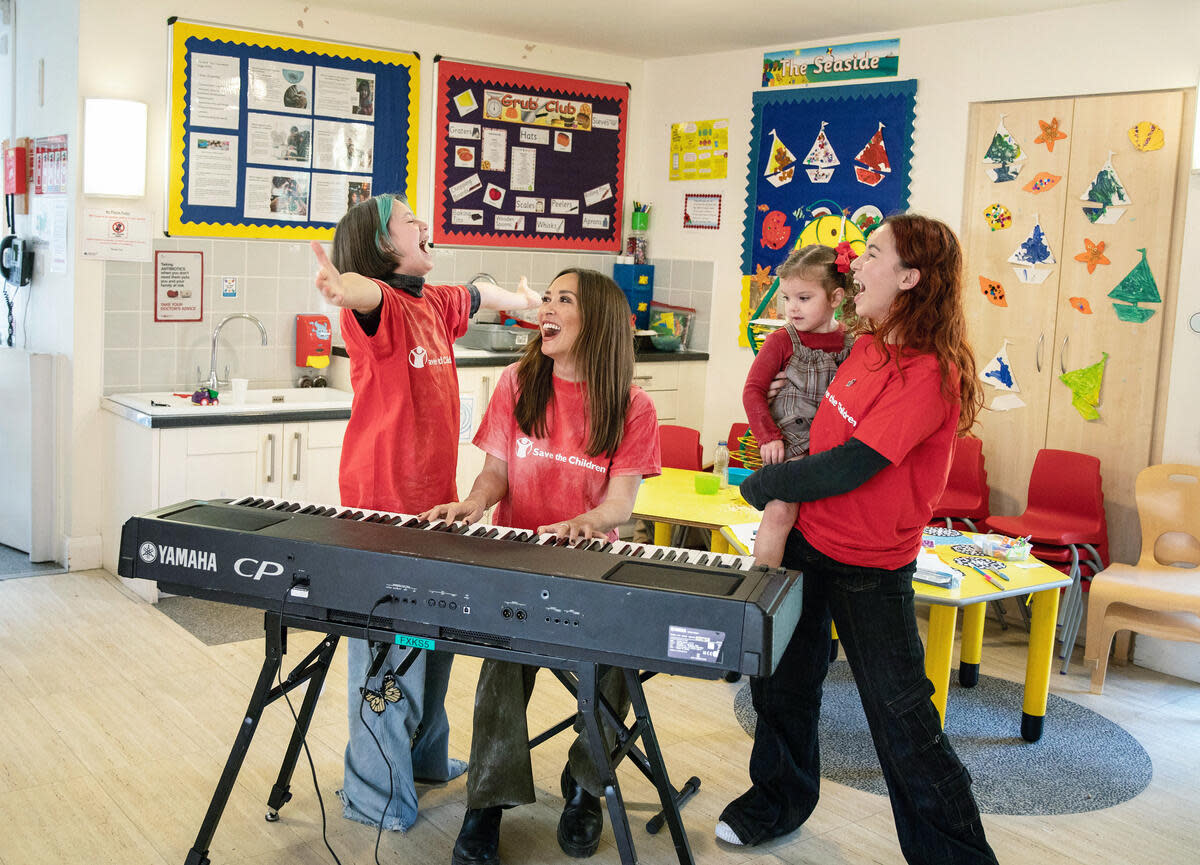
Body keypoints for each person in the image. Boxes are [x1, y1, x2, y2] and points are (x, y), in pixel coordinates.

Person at [717, 213, 997, 865]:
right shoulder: (865, 347)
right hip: (810, 544)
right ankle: (778, 799)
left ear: (909, 277)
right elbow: (815, 424)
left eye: (872, 254)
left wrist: (765, 485)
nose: (855, 265)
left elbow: (851, 464)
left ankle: (957, 855)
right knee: (781, 684)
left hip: (871, 566)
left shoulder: (930, 372)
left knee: (903, 722)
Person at [310, 192, 540, 833]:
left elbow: (477, 292)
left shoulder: (433, 302)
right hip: (383, 517)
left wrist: (523, 303)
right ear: (385, 245)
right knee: (391, 656)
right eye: (411, 221)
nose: (424, 225)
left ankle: (425, 758)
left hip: (438, 511)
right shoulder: (379, 307)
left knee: (432, 641)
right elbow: (363, 292)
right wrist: (342, 283)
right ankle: (374, 793)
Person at [420, 268, 662, 865]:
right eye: (546, 298)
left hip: (587, 568)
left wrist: (588, 522)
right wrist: (475, 502)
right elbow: (496, 475)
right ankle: (486, 804)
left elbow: (620, 505)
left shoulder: (633, 406)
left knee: (612, 665)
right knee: (501, 669)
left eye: (563, 300)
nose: (546, 308)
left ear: (597, 322)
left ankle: (586, 785)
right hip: (520, 567)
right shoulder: (517, 381)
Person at [741, 243, 856, 566]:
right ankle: (762, 581)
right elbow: (753, 391)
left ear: (835, 298)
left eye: (804, 299)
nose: (792, 308)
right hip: (789, 446)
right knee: (779, 512)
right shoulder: (782, 340)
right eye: (787, 298)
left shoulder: (852, 343)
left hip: (831, 452)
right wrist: (768, 437)